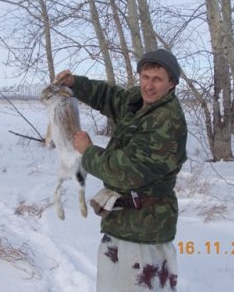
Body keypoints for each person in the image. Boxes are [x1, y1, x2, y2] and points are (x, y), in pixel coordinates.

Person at [55, 49, 187, 292]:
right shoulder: (138, 103)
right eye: (145, 77)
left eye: (157, 79)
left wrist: (89, 151)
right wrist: (75, 84)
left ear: (172, 84)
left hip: (146, 232)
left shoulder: (166, 121)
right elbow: (108, 96)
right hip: (119, 223)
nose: (149, 85)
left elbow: (126, 172)